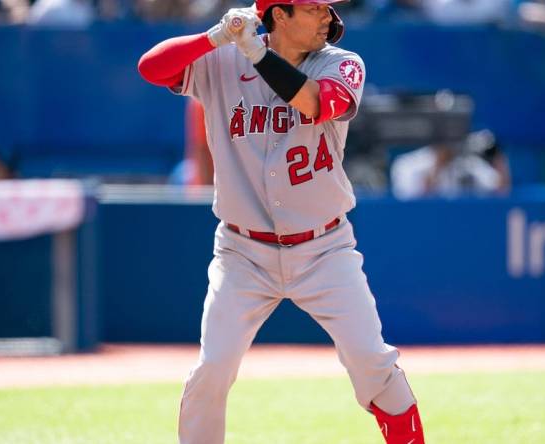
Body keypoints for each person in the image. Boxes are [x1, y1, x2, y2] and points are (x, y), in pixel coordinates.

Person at [137, 1, 424, 443]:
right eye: (314, 9)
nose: (327, 16)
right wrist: (215, 37)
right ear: (280, 15)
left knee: (373, 364)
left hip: (324, 249)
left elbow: (315, 103)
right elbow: (150, 68)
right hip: (242, 253)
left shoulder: (342, 63)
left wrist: (257, 54)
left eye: (327, 8)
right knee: (212, 369)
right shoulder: (223, 60)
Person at [390, 129, 509, 200]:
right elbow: (411, 204)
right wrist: (438, 165)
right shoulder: (407, 164)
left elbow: (500, 189)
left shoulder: (467, 163)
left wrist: (497, 156)